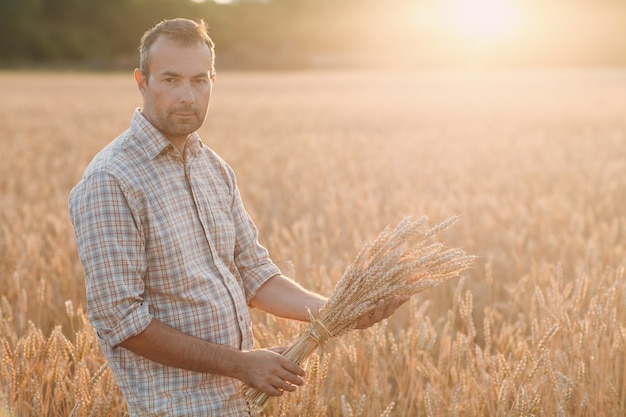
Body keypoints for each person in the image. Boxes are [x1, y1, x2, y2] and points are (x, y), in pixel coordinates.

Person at [68, 18, 406, 416]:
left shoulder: (212, 168)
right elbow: (121, 322)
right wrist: (242, 364)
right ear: (142, 82)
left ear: (213, 81)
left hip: (238, 405)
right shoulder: (111, 181)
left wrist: (340, 310)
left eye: (199, 81)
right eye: (170, 80)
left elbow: (255, 275)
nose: (187, 97)